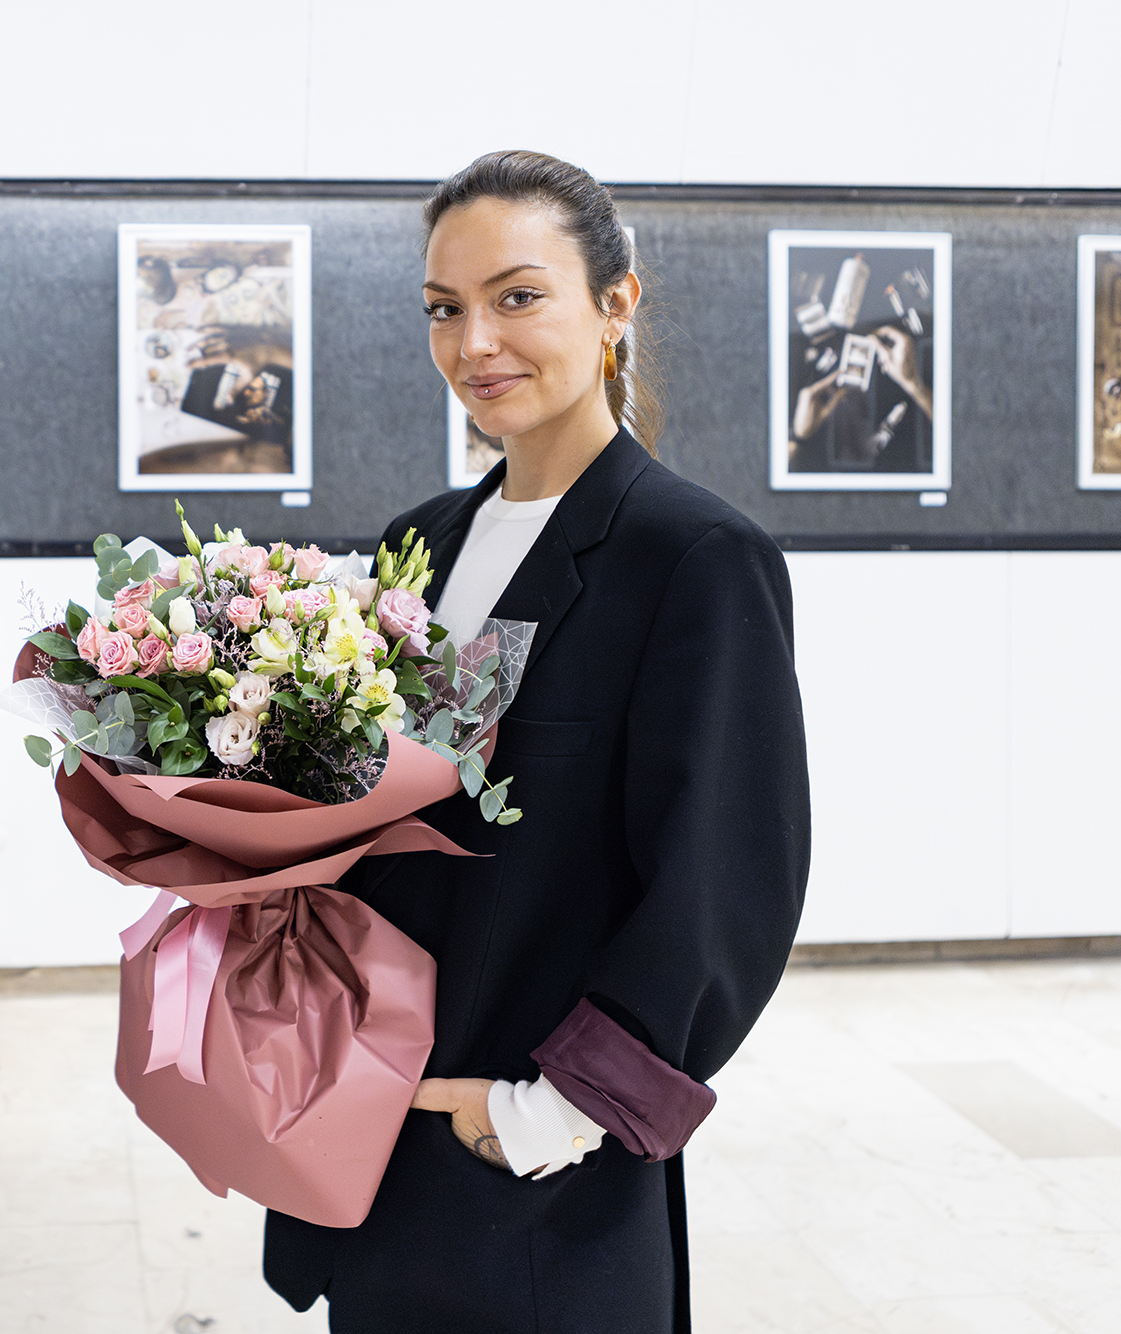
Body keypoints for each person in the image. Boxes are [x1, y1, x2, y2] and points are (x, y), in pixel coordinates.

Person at [261, 150, 811, 1333]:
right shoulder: (421, 544)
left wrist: (547, 1111)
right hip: (371, 1140)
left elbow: (723, 888)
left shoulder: (692, 560)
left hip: (532, 1169)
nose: (474, 344)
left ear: (615, 305)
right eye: (443, 310)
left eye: (517, 296)